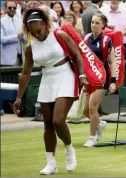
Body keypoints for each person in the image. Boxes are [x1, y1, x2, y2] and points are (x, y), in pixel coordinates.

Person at [12, 8, 88, 175]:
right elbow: (25, 73)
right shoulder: (30, 47)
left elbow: (76, 54)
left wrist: (82, 75)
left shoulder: (60, 35)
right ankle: (51, 163)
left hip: (65, 75)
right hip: (47, 78)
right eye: (33, 33)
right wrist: (18, 98)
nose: (37, 35)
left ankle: (69, 150)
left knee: (58, 120)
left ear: (46, 25)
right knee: (47, 123)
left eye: (39, 31)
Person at [83, 13, 117, 147]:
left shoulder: (106, 40)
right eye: (92, 22)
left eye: (97, 23)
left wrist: (113, 81)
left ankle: (92, 137)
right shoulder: (86, 38)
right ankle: (100, 124)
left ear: (103, 25)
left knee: (92, 107)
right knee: (85, 110)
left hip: (103, 79)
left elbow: (113, 62)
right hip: (89, 78)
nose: (94, 25)